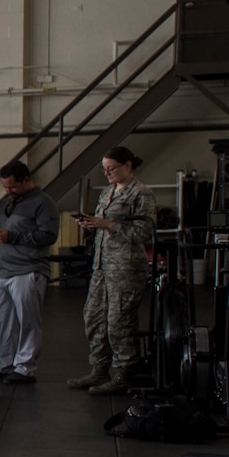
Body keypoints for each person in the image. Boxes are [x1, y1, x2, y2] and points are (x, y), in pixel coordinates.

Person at [68, 145, 153, 395]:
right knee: (93, 318)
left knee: (119, 323)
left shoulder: (141, 194)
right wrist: (90, 225)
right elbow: (102, 225)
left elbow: (144, 232)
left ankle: (123, 373)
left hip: (126, 268)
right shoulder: (107, 193)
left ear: (128, 165)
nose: (107, 174)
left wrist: (108, 224)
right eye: (104, 170)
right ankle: (99, 369)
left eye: (111, 169)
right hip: (102, 266)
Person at [0, 161, 58, 386]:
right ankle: (4, 362)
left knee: (28, 321)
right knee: (4, 321)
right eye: (5, 187)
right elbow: (6, 225)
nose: (8, 191)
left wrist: (12, 237)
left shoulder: (44, 204)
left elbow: (48, 235)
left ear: (26, 180)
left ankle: (25, 367)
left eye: (12, 187)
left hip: (28, 270)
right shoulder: (7, 202)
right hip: (2, 271)